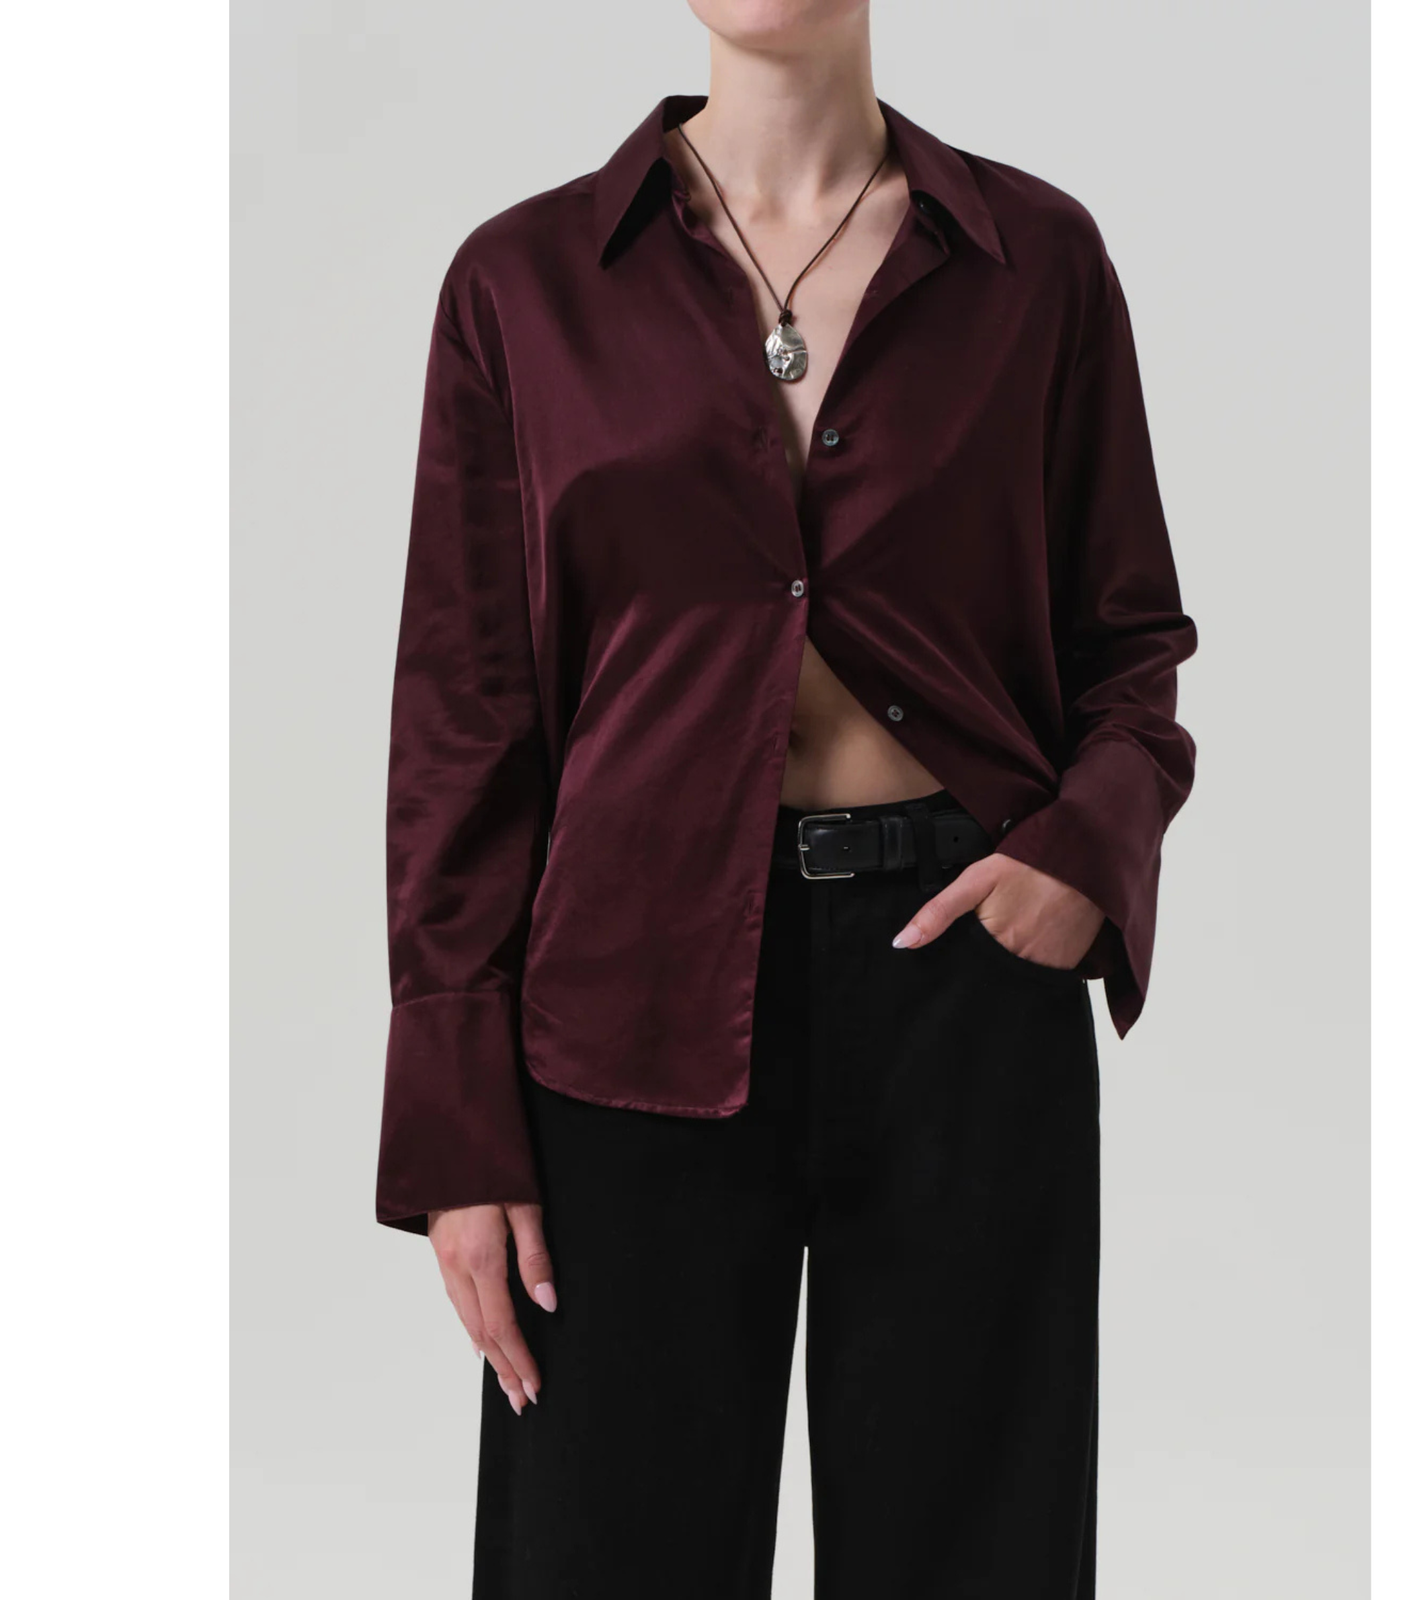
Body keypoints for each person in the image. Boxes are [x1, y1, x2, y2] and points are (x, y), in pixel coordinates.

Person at [376, 2, 1197, 1594]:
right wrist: (456, 1126)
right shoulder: (522, 286)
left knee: (979, 1556)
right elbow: (464, 722)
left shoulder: (1037, 265)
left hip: (964, 979)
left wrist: (1080, 856)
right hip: (621, 1001)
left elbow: (1131, 644)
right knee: (603, 1557)